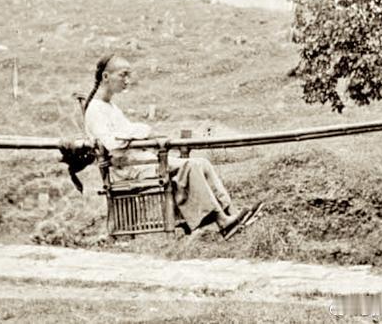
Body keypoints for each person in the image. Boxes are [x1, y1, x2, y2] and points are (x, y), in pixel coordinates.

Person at [82, 54, 262, 239]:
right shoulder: (95, 109)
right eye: (123, 75)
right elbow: (112, 143)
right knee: (190, 166)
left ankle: (232, 213)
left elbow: (129, 133)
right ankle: (223, 222)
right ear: (106, 76)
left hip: (141, 162)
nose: (127, 80)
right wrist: (140, 130)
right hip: (128, 169)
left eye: (129, 75)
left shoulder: (111, 107)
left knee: (202, 163)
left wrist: (139, 132)